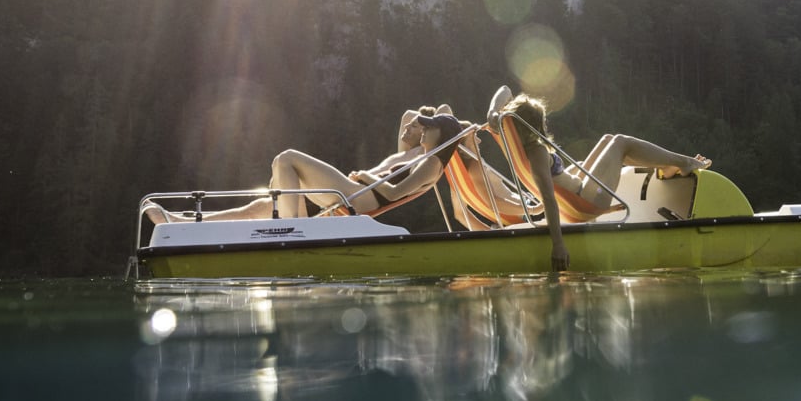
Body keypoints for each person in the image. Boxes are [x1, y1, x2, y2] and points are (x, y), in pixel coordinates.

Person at [487, 86, 710, 272]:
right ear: (535, 125)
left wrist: (493, 112)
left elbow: (505, 90)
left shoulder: (511, 140)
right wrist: (558, 245)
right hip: (587, 200)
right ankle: (683, 162)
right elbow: (549, 198)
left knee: (608, 139)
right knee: (621, 142)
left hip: (579, 190)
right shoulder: (537, 151)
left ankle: (668, 165)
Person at [144, 108, 463, 223]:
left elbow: (394, 194)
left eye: (428, 127)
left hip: (362, 197)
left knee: (286, 159)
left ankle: (291, 229)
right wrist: (425, 119)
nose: (420, 129)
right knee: (263, 204)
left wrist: (366, 176)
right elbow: (409, 116)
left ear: (441, 135)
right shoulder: (415, 152)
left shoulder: (431, 162)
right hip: (354, 192)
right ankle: (182, 221)